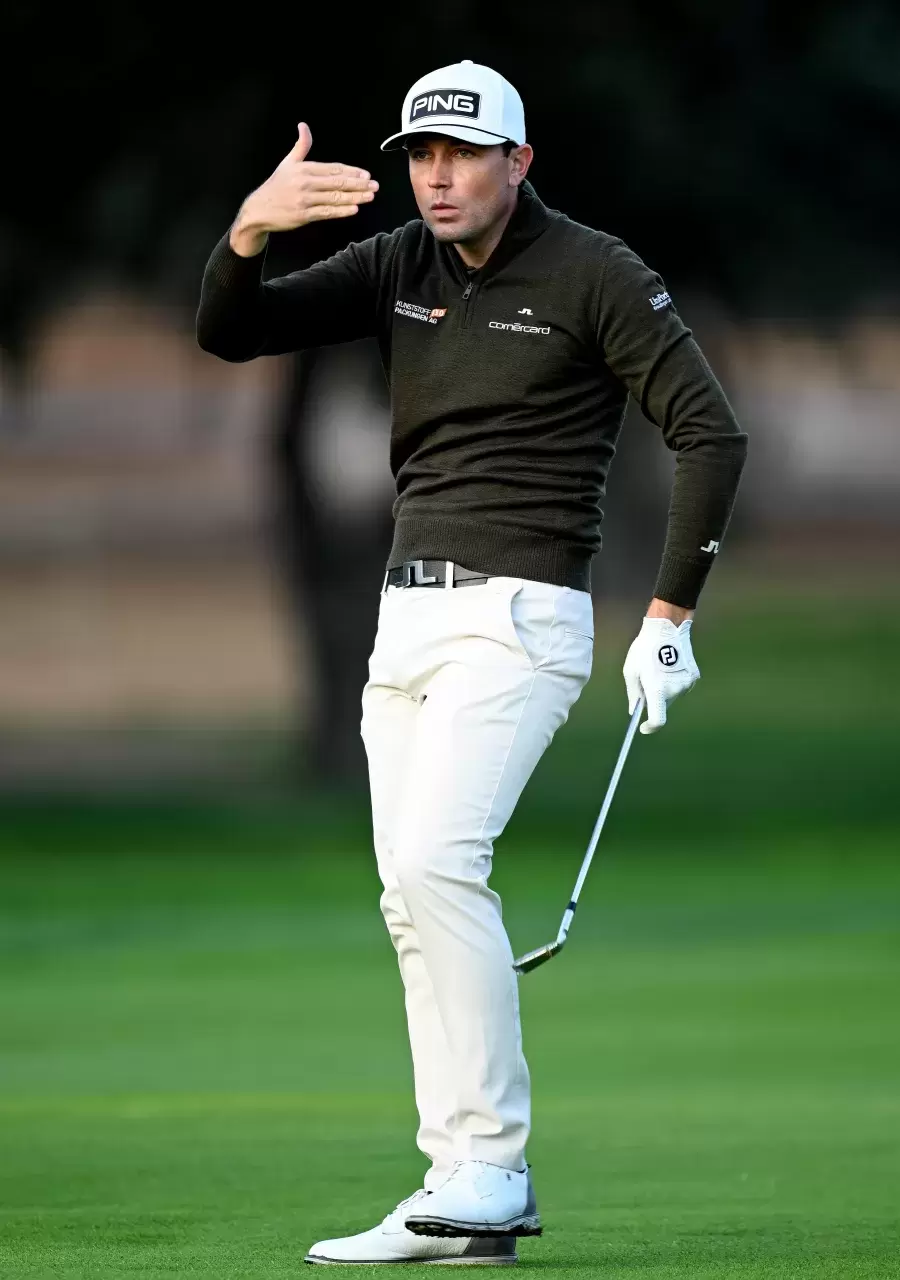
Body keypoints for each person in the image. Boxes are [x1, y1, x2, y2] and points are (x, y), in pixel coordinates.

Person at [197, 58, 748, 1267]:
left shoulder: (597, 273)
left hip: (521, 620)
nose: (437, 177)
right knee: (410, 892)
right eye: (420, 158)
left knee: (442, 860)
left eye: (462, 155)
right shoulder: (404, 265)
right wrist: (247, 232)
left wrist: (670, 613)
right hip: (407, 624)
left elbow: (709, 428)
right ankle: (460, 1182)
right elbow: (234, 330)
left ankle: (492, 1163)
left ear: (519, 161)